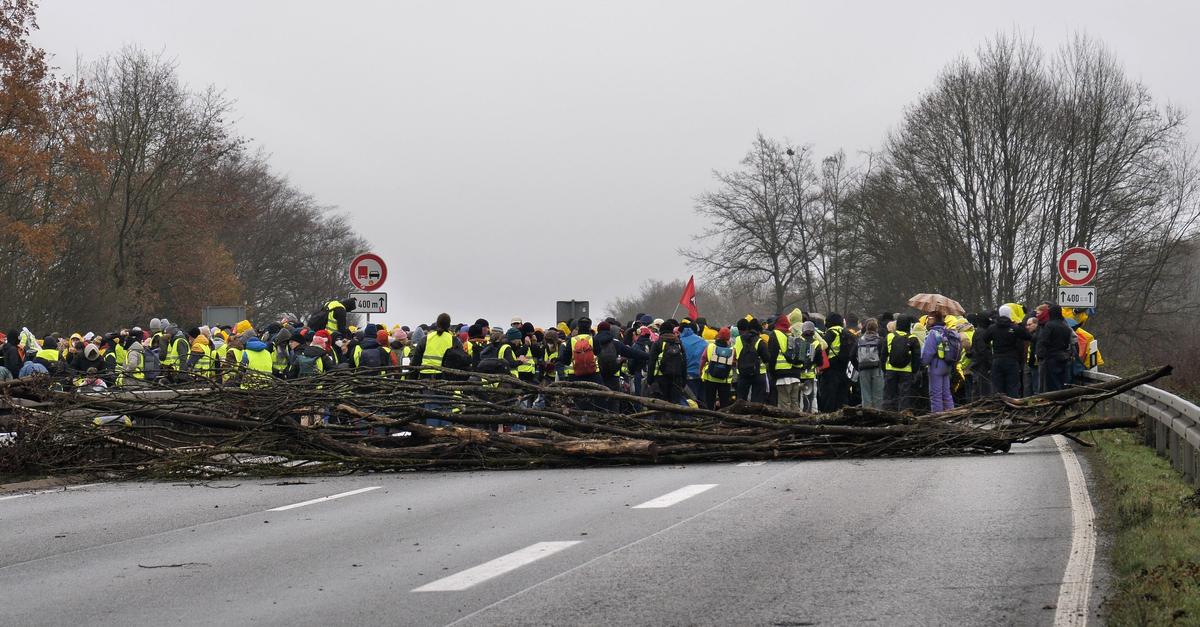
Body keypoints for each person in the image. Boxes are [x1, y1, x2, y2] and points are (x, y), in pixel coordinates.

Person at [984, 305, 1033, 398]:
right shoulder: (1014, 328)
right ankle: (1012, 408)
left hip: (997, 359)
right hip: (1011, 360)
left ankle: (998, 407)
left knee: (998, 387)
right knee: (1012, 386)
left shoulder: (993, 328)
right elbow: (1028, 336)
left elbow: (984, 339)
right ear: (1009, 314)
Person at [920, 312, 959, 413]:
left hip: (936, 366)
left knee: (935, 394)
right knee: (946, 393)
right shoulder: (946, 331)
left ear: (934, 319)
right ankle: (951, 414)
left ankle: (938, 417)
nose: (927, 320)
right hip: (947, 365)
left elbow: (928, 352)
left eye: (929, 318)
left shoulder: (933, 333)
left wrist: (923, 363)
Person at [882, 314, 921, 412]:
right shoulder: (913, 338)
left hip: (890, 370)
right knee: (904, 396)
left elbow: (883, 355)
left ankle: (888, 415)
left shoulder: (889, 336)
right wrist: (914, 371)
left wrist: (884, 369)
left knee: (889, 395)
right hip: (906, 371)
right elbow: (916, 357)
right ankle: (903, 416)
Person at [646, 319, 688, 404]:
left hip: (660, 379)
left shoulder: (658, 343)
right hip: (677, 379)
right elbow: (684, 363)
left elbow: (652, 363)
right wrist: (683, 381)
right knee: (675, 405)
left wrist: (650, 380)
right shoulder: (678, 343)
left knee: (661, 405)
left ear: (661, 331)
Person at [819, 313, 854, 411]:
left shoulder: (831, 333)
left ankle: (828, 419)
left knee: (829, 396)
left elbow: (823, 348)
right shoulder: (847, 333)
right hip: (845, 368)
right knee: (842, 395)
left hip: (831, 369)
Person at [766, 314, 801, 409]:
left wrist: (772, 373)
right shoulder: (793, 334)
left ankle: (787, 423)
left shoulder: (775, 334)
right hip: (796, 375)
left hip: (782, 376)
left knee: (784, 404)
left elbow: (772, 356)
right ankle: (799, 421)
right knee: (795, 403)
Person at [1036, 305, 1074, 392]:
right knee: (1062, 383)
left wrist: (1040, 355)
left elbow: (1043, 341)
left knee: (1052, 384)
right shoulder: (1065, 326)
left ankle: (1054, 402)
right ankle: (1062, 402)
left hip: (1051, 358)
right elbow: (1070, 342)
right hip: (1064, 357)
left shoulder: (1049, 325)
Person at [699, 327, 735, 409]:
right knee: (724, 403)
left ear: (718, 335)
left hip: (710, 377)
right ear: (729, 337)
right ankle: (722, 419)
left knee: (709, 402)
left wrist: (700, 371)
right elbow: (734, 363)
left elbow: (703, 358)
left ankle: (710, 418)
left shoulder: (711, 346)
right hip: (725, 380)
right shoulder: (732, 349)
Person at [734, 318, 769, 404]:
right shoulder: (760, 341)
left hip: (742, 373)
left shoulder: (738, 339)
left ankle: (740, 416)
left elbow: (734, 354)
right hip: (758, 374)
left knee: (741, 400)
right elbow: (767, 358)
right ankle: (754, 416)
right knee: (757, 401)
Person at [856, 319, 884, 409]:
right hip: (877, 369)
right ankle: (878, 414)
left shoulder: (860, 340)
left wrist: (858, 365)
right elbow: (883, 354)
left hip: (863, 369)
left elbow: (852, 354)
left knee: (865, 394)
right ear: (876, 329)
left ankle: (866, 414)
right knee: (878, 394)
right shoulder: (880, 340)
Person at [797, 321, 825, 412]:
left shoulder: (799, 341)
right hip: (810, 376)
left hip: (798, 375)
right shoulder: (816, 344)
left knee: (798, 399)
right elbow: (820, 361)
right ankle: (808, 416)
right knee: (809, 398)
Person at [679, 321, 708, 400]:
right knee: (702, 400)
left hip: (688, 376)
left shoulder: (680, 342)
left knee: (690, 401)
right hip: (702, 375)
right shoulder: (703, 341)